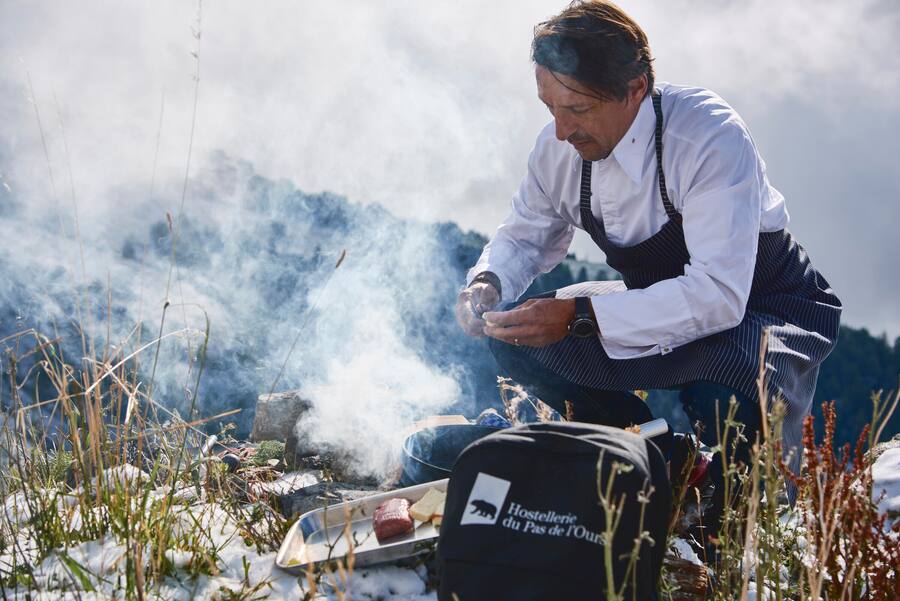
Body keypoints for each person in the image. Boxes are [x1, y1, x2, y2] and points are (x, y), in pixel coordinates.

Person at [455, 0, 841, 547]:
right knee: (518, 342)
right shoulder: (558, 150)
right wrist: (488, 282)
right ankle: (648, 463)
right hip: (652, 301)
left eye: (579, 109)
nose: (562, 130)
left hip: (764, 306)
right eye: (550, 107)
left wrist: (580, 317)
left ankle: (732, 518)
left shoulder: (707, 136)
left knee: (727, 393)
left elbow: (716, 298)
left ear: (635, 89)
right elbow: (524, 235)